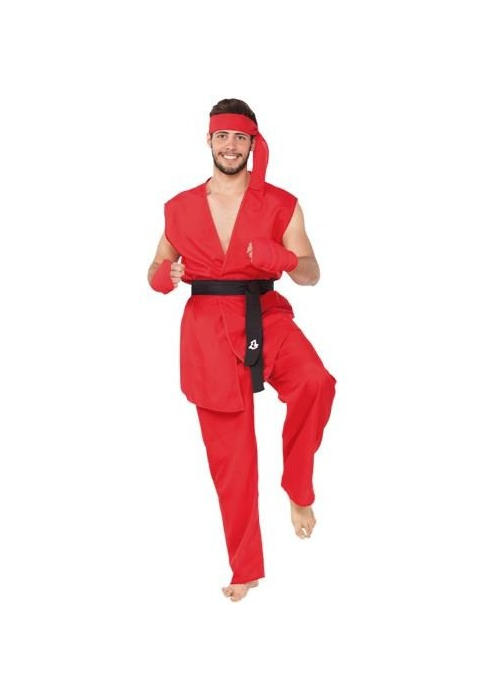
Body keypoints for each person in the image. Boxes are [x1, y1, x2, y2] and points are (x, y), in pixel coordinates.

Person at [147, 98, 336, 602]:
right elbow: (155, 269)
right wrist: (167, 275)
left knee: (316, 382)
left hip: (264, 315)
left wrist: (284, 258)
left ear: (253, 143)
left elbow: (311, 273)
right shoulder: (179, 207)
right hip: (207, 333)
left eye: (240, 138)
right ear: (208, 140)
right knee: (233, 458)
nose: (230, 146)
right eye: (222, 136)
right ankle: (245, 567)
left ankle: (298, 486)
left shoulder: (281, 203)